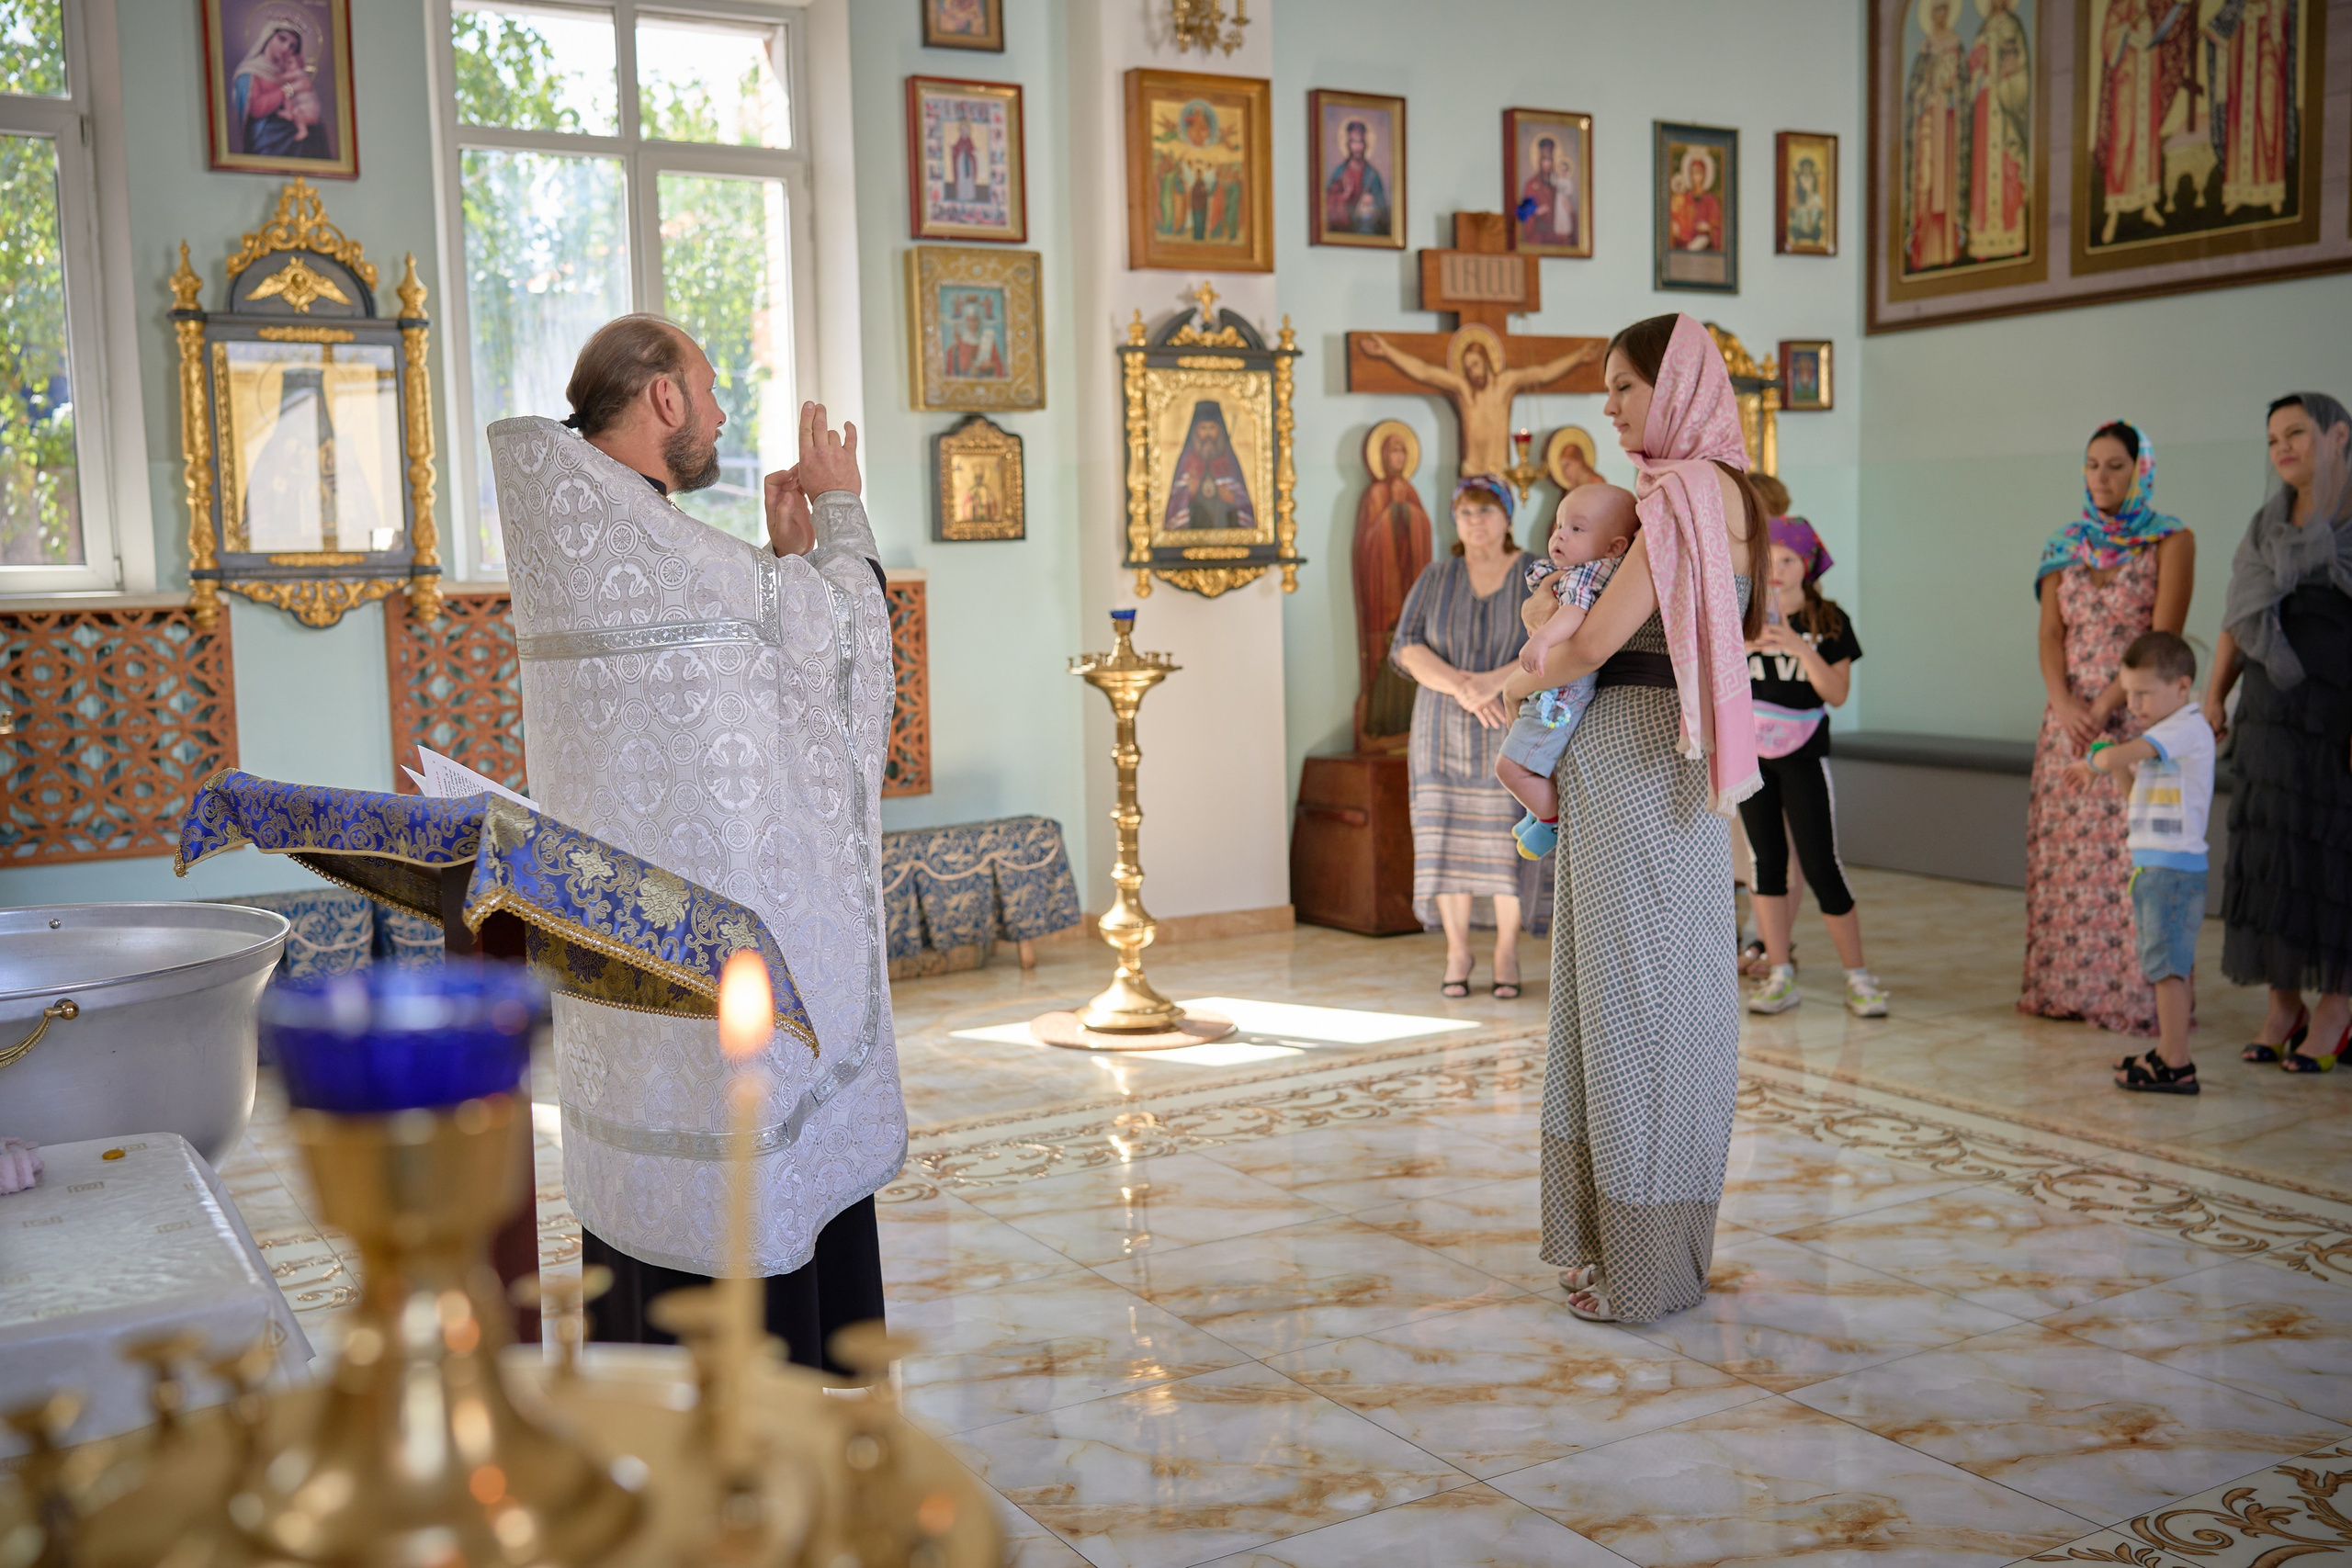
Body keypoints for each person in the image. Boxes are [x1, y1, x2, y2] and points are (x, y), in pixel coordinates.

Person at [488, 314, 901, 1374]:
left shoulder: (589, 530)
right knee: (748, 1179)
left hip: (633, 1003)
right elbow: (845, 629)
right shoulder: (645, 534)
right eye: (709, 390)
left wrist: (780, 563)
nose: (719, 413)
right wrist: (842, 506)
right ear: (661, 398)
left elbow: (730, 685)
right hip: (722, 985)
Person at [1502, 312, 1762, 1325]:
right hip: (1679, 769)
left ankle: (1638, 1267)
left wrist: (1510, 679)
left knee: (1626, 1006)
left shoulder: (1679, 497)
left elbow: (1596, 640)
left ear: (1679, 384)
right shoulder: (1734, 495)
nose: (1607, 408)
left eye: (1622, 386)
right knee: (1669, 997)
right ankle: (1641, 1251)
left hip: (1632, 760)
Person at [2021, 420, 2193, 1037]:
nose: (2103, 477)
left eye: (2117, 465)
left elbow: (2163, 634)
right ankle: (2064, 987)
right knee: (2068, 861)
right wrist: (2064, 703)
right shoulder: (2064, 543)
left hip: (2135, 715)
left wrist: (2107, 702)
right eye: (2093, 464)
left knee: (2133, 859)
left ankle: (2135, 998)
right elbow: (2049, 632)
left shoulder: (2170, 539)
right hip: (2067, 723)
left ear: (2140, 469)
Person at [2208, 392, 2352, 1072]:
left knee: (2335, 859)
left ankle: (2338, 1006)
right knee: (2272, 856)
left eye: (2296, 432)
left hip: (2338, 716)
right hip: (2269, 713)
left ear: (2338, 435)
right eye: (2272, 439)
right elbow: (2240, 615)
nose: (2283, 447)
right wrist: (2215, 694)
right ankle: (2284, 1001)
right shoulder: (2265, 523)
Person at [1389, 475, 1548, 1000]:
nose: (1476, 522)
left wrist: (1490, 683)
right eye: (1465, 513)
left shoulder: (1534, 574)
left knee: (1504, 839)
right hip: (1440, 725)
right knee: (1444, 837)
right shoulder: (1437, 576)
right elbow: (1406, 646)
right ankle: (1457, 950)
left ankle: (1506, 949)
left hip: (1508, 719)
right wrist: (1461, 685)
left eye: (1485, 511)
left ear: (1507, 517)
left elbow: (1549, 640)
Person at [1740, 513, 1889, 1019]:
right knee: (1767, 864)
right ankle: (1780, 972)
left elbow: (1838, 694)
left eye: (1787, 559)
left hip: (1803, 757)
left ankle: (1859, 977)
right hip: (1752, 761)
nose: (1776, 570)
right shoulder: (1744, 614)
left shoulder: (1830, 621)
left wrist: (1799, 647)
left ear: (1808, 565)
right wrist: (1742, 645)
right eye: (1768, 560)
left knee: (1822, 864)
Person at [2067, 632, 2214, 1094]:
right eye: (2128, 693)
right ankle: (2169, 1052)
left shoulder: (2184, 728)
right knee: (2160, 963)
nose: (2133, 704)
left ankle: (2176, 1061)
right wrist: (2111, 768)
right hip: (2153, 867)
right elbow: (2135, 798)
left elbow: (2123, 752)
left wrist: (2100, 759)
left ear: (2182, 686)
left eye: (2143, 693)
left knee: (2167, 967)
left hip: (2172, 871)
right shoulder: (2159, 741)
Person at [1498, 483, 1640, 857]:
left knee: (1509, 767)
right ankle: (1539, 810)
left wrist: (1542, 640)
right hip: (1556, 683)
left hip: (1563, 691)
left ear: (1615, 547)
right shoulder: (1575, 571)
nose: (1560, 534)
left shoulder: (1586, 576)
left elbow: (1573, 613)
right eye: (1560, 524)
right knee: (1527, 759)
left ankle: (1550, 820)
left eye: (1577, 528)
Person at [1324, 118, 1390, 235]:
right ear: (1348, 144)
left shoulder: (1372, 175)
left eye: (1360, 142)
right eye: (1353, 142)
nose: (1357, 147)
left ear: (1365, 144)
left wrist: (1372, 203)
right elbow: (1327, 206)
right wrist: (1344, 197)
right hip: (1342, 230)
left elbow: (1383, 211)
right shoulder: (1340, 172)